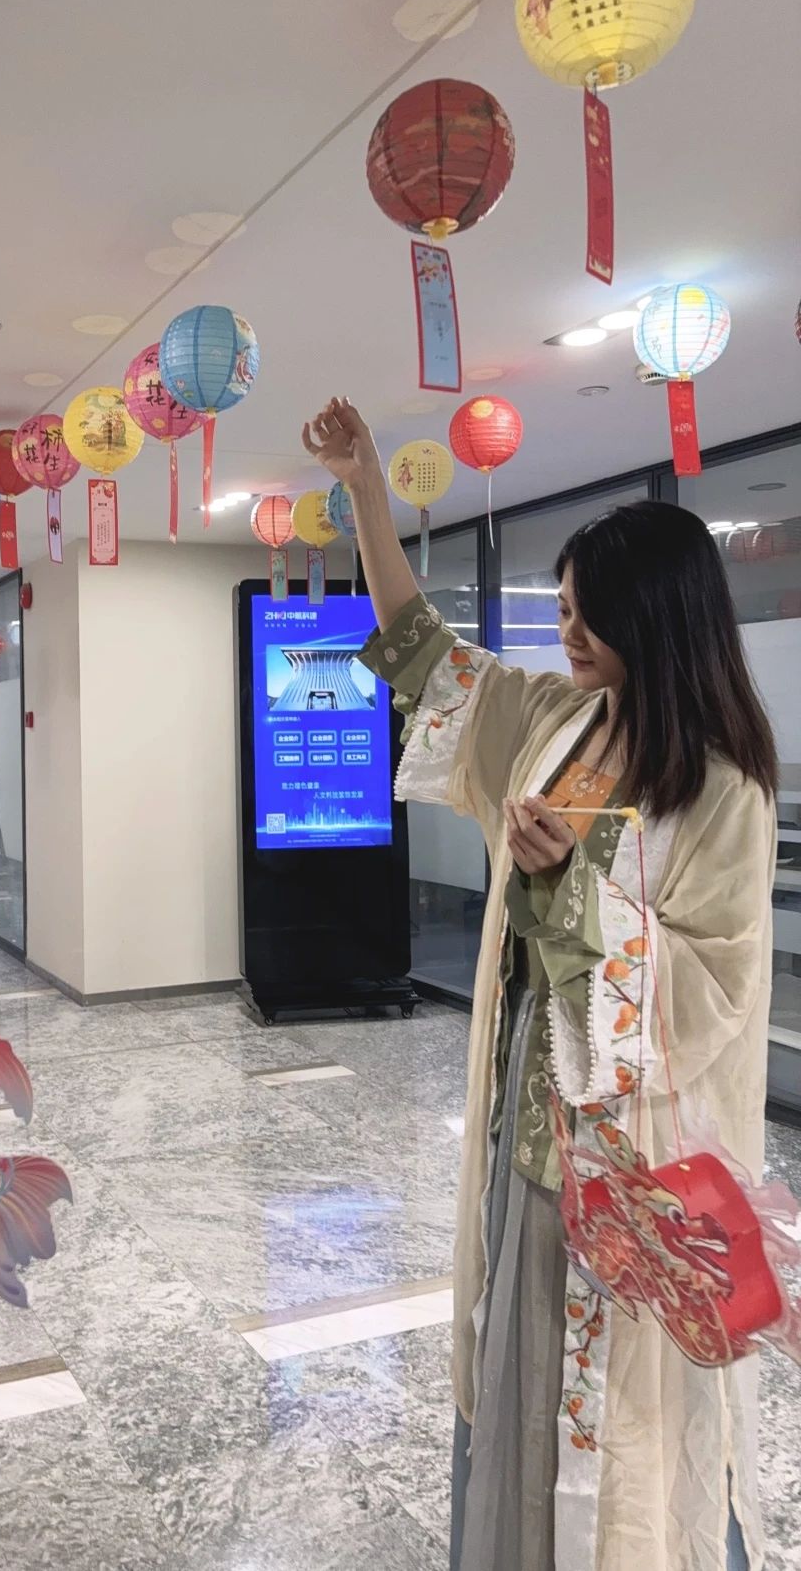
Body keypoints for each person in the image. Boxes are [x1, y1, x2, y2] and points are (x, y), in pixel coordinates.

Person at [304, 398, 776, 1571]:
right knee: (522, 1350)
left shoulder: (720, 791)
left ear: (650, 618)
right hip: (532, 1111)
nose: (562, 632)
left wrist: (568, 888)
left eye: (581, 613)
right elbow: (422, 652)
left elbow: (710, 988)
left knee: (626, 1404)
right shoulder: (556, 723)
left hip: (637, 1150)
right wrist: (364, 491)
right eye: (558, 609)